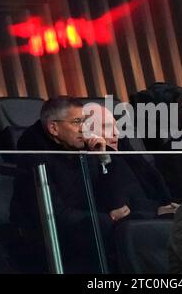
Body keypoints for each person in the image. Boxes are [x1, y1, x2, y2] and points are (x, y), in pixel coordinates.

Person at [10, 96, 137, 272]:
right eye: (77, 122)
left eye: (84, 122)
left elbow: (117, 202)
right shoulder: (34, 160)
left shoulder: (84, 151)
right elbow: (55, 216)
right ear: (54, 127)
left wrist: (104, 158)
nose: (83, 129)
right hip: (53, 246)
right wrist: (108, 219)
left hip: (92, 231)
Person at [83, 103, 178, 217]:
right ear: (87, 132)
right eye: (107, 127)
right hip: (136, 223)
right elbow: (119, 206)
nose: (116, 133)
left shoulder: (125, 150)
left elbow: (155, 183)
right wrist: (104, 156)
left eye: (116, 126)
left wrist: (167, 205)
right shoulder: (88, 160)